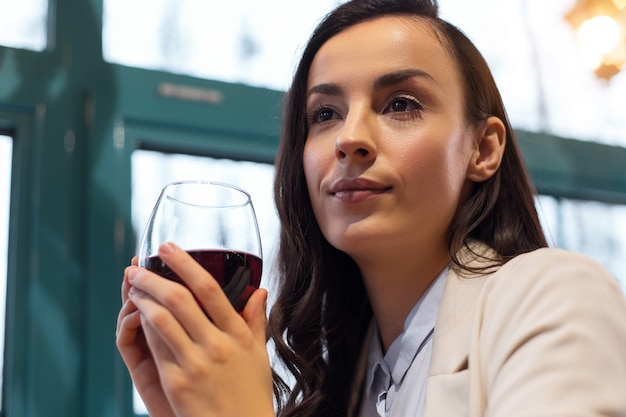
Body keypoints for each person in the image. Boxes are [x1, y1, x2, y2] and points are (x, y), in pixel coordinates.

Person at [115, 0, 626, 416]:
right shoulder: (347, 377)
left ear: (483, 149)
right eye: (325, 114)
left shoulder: (555, 295)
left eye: (401, 103)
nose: (350, 138)